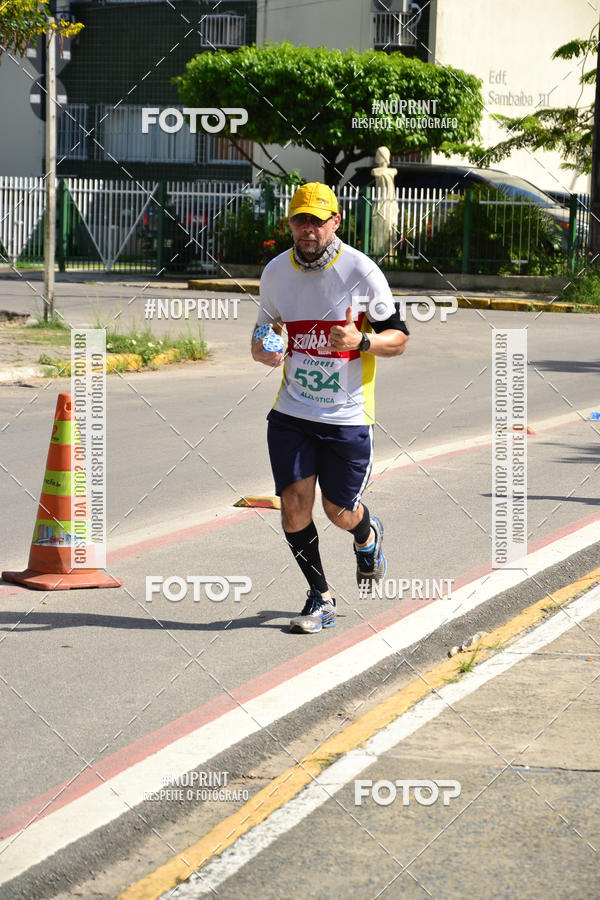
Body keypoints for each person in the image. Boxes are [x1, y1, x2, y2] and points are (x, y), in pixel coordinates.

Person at [251, 182, 409, 634]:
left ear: (335, 222)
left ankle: (366, 533)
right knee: (294, 508)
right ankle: (320, 597)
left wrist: (363, 340)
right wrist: (264, 350)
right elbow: (264, 332)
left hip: (347, 416)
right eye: (301, 220)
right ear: (290, 224)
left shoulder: (361, 272)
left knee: (338, 510)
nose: (309, 229)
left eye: (318, 221)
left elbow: (398, 339)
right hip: (292, 412)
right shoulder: (276, 272)